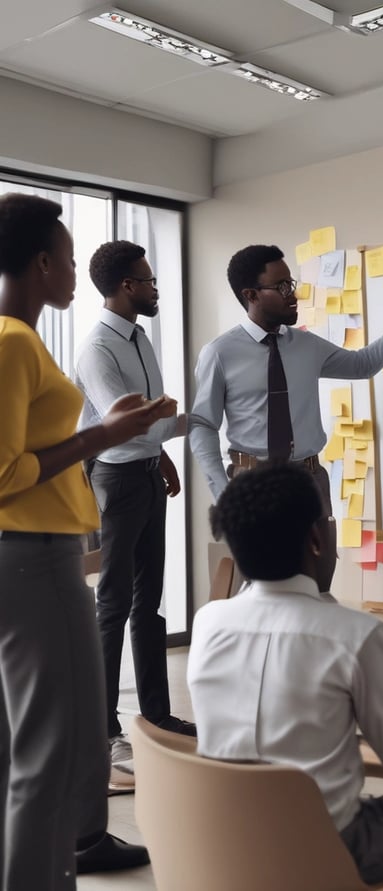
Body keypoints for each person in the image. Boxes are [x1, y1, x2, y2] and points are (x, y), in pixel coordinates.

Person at [187, 463, 383, 890]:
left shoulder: (209, 623)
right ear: (317, 540)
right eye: (326, 520)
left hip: (226, 843)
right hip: (327, 849)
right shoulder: (353, 634)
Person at [0, 194, 176, 888]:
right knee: (59, 751)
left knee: (27, 747)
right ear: (42, 263)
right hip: (34, 554)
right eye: (70, 261)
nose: (77, 273)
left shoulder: (21, 338)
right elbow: (6, 470)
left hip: (30, 551)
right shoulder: (14, 340)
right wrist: (106, 434)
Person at [189, 243, 383, 506]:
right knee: (263, 554)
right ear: (251, 295)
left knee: (320, 554)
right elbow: (202, 425)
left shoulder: (307, 345)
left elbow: (362, 364)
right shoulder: (219, 353)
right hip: (251, 482)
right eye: (281, 287)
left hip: (309, 480)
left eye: (291, 285)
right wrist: (222, 493)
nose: (293, 295)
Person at [74, 240, 195, 781]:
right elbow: (127, 418)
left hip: (145, 473)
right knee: (114, 604)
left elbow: (149, 419)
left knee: (151, 601)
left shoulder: (140, 337)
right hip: (117, 481)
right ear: (127, 287)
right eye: (147, 281)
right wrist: (178, 420)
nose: (154, 288)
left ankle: (157, 715)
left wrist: (163, 450)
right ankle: (103, 732)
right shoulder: (98, 348)